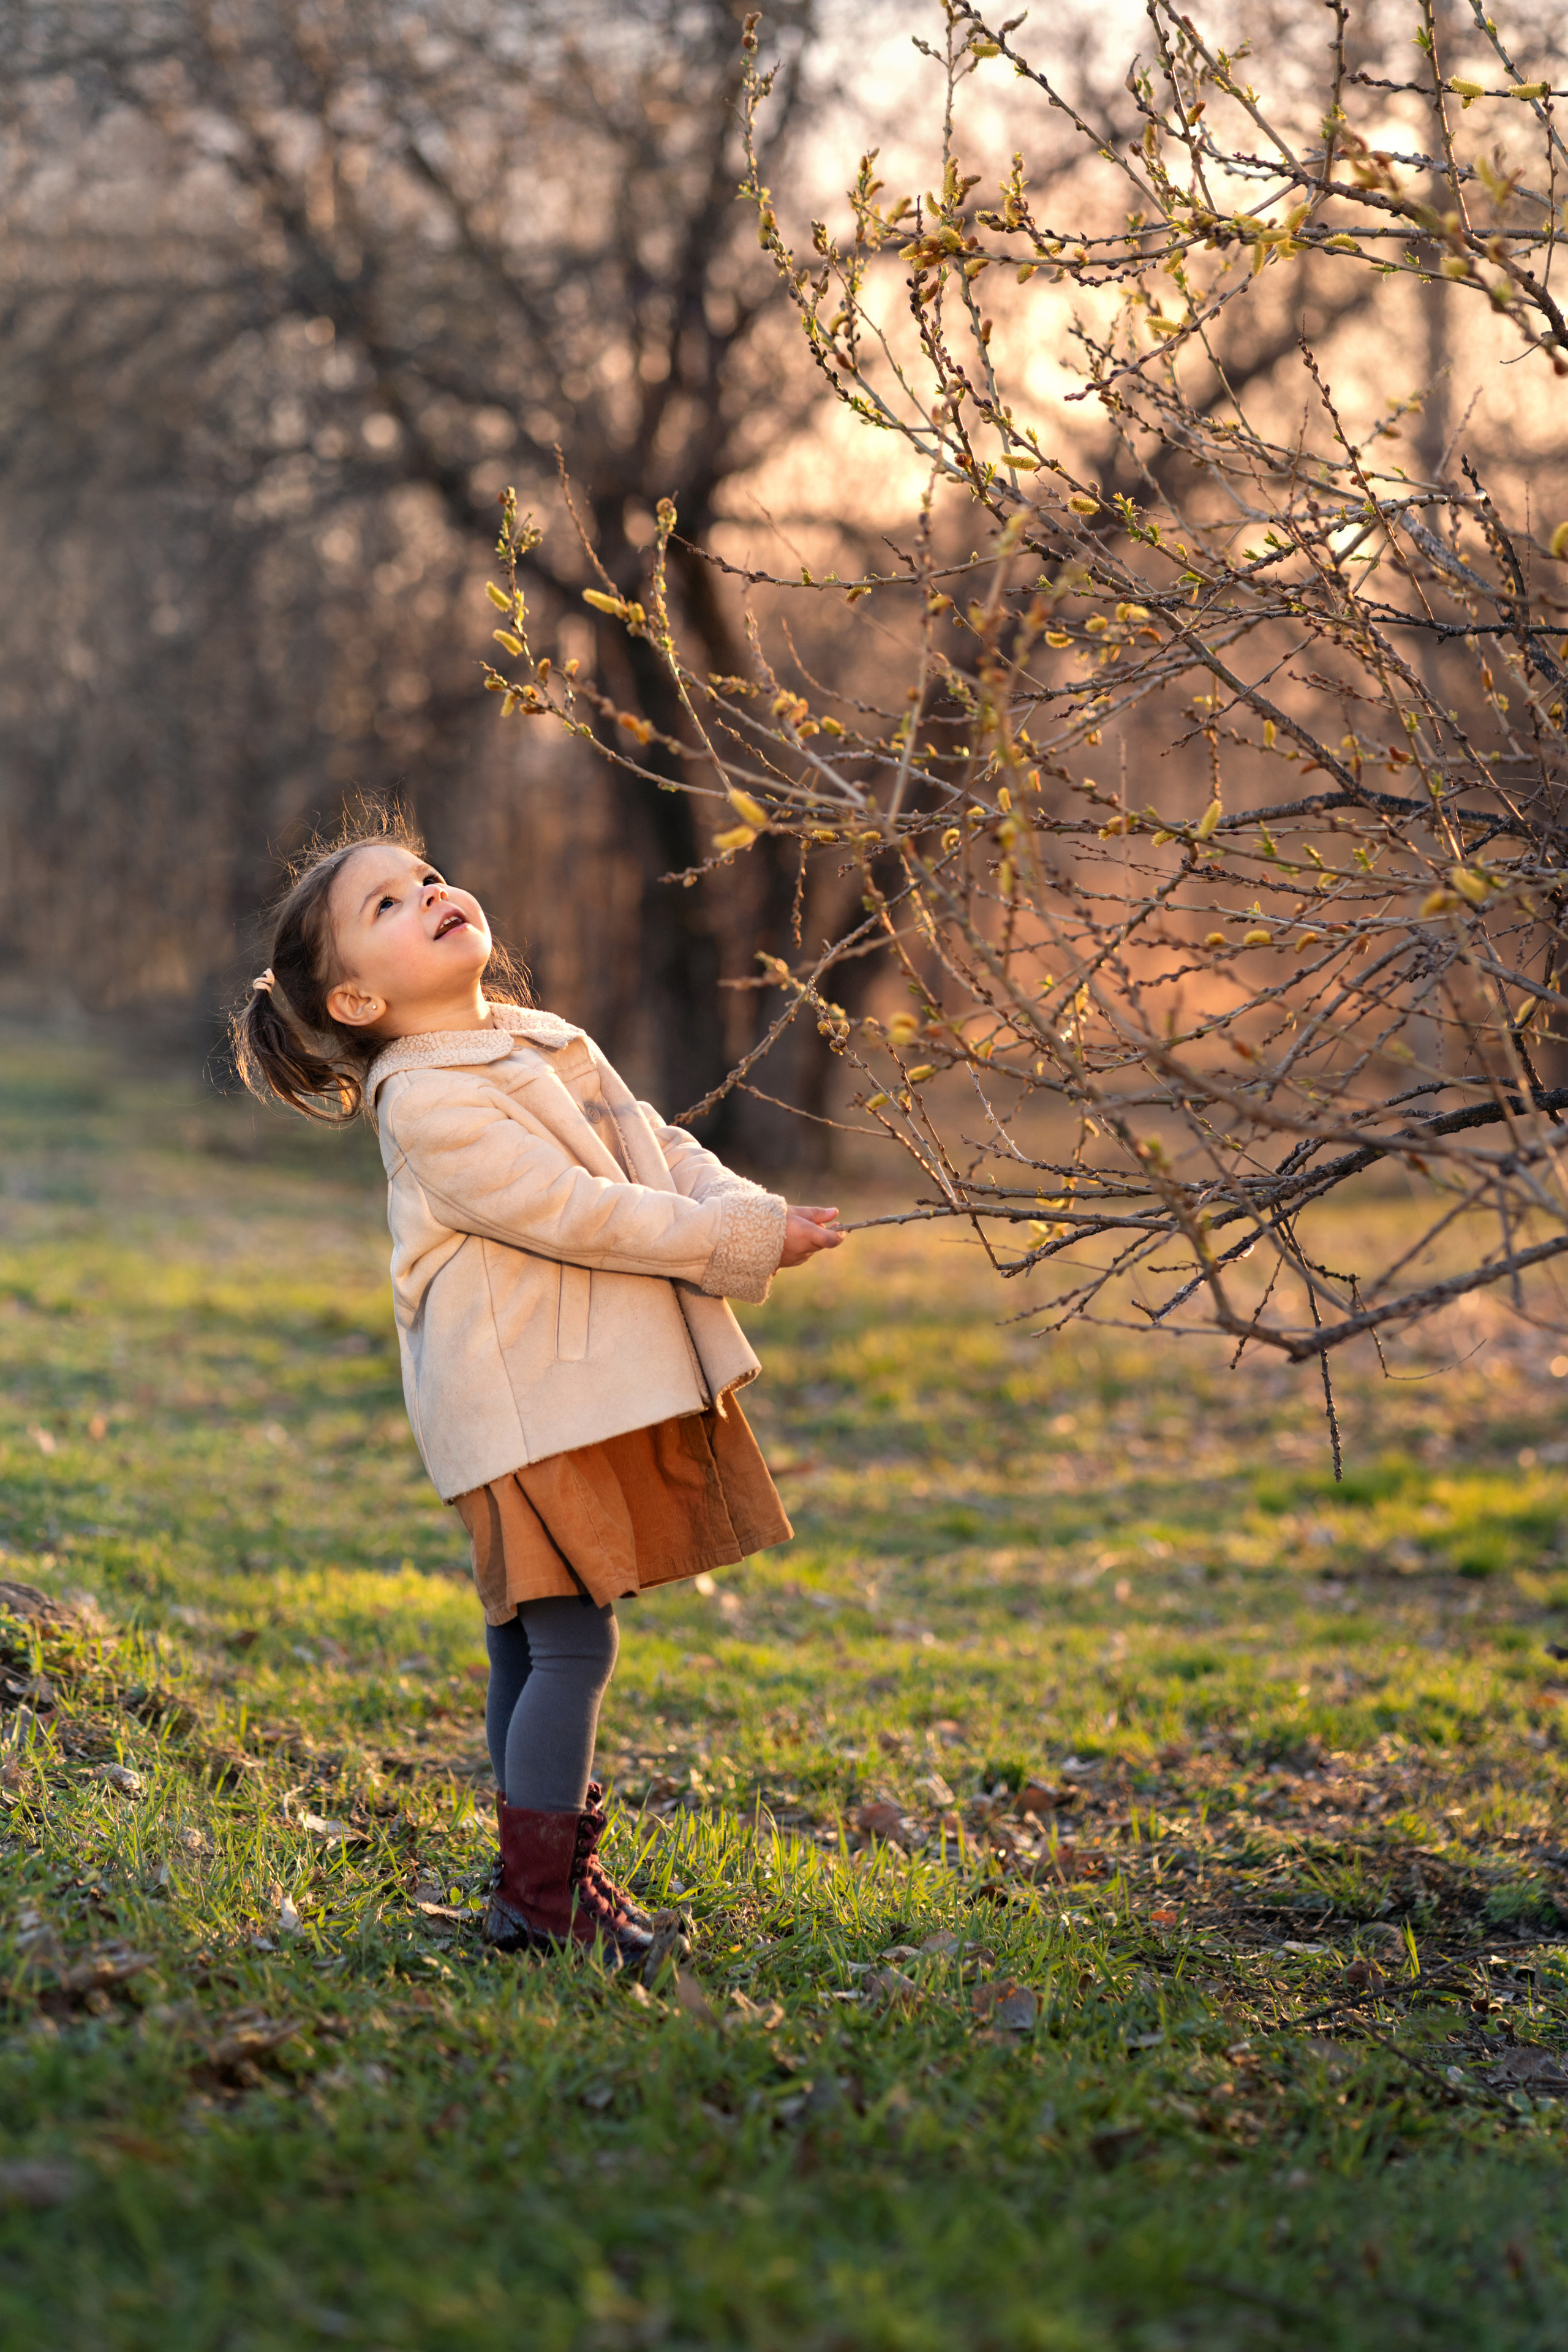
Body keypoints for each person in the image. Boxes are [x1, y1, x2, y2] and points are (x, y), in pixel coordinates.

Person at [233, 815, 843, 1963]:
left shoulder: (525, 1041)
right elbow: (583, 1211)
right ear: (358, 1002)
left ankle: (536, 1890)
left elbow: (648, 1148)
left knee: (533, 1644)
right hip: (517, 1410)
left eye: (426, 877)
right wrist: (734, 1239)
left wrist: (760, 1213)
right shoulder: (426, 1100)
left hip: (553, 1394)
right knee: (569, 1646)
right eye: (388, 907)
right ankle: (546, 1896)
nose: (431, 894)